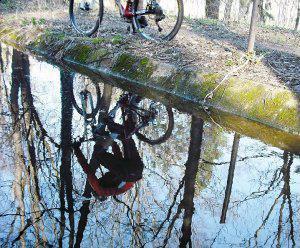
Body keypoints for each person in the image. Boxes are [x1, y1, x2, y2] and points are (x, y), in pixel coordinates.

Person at [73, 109, 144, 199]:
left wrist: (113, 142)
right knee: (98, 154)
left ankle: (133, 105)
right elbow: (88, 171)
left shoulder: (118, 189)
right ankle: (114, 131)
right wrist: (76, 149)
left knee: (126, 137)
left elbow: (119, 159)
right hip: (128, 172)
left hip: (137, 170)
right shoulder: (99, 190)